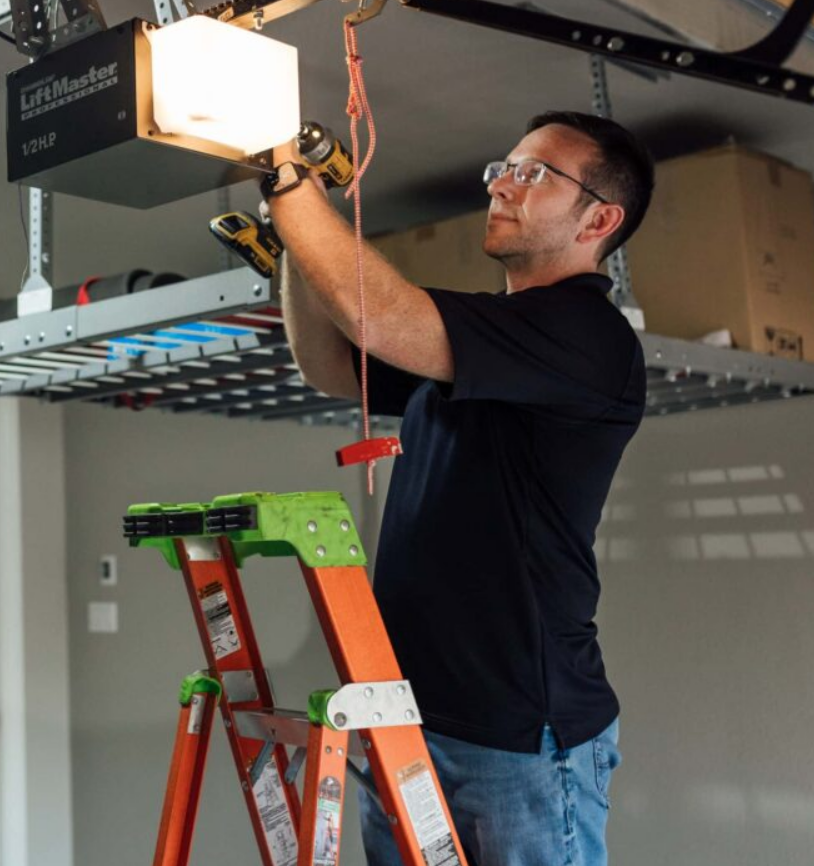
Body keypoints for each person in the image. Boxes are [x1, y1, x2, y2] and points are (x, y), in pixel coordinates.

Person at [263, 111, 655, 866]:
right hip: (413, 715)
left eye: (535, 173)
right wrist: (293, 233)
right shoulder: (488, 342)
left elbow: (382, 319)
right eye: (501, 169)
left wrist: (289, 186)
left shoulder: (585, 337)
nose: (502, 185)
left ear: (599, 218)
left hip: (520, 736)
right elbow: (334, 363)